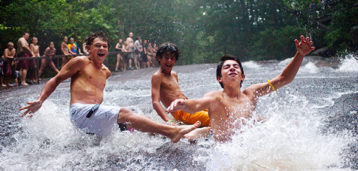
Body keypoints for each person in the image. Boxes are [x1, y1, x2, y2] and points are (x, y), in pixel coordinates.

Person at [19, 31, 199, 143]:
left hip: (94, 119)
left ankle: (178, 136)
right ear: (89, 48)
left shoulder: (106, 71)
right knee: (126, 112)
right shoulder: (80, 62)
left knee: (137, 125)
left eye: (105, 46)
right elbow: (56, 79)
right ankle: (172, 132)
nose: (102, 48)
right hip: (81, 112)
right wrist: (41, 100)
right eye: (97, 45)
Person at [167, 35, 315, 142]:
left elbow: (284, 79)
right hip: (223, 147)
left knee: (281, 125)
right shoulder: (215, 97)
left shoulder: (251, 93)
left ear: (242, 76)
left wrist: (300, 55)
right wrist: (181, 104)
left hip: (245, 143)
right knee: (192, 136)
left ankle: (207, 130)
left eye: (235, 66)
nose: (232, 68)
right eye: (227, 67)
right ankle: (204, 131)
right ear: (219, 78)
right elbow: (195, 106)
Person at [152, 42, 210, 128]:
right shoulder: (157, 76)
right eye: (166, 58)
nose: (169, 61)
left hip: (188, 105)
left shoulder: (174, 74)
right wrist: (169, 121)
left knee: (218, 108)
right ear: (159, 58)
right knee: (213, 117)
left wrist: (192, 103)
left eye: (172, 58)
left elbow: (177, 94)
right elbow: (155, 102)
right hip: (181, 112)